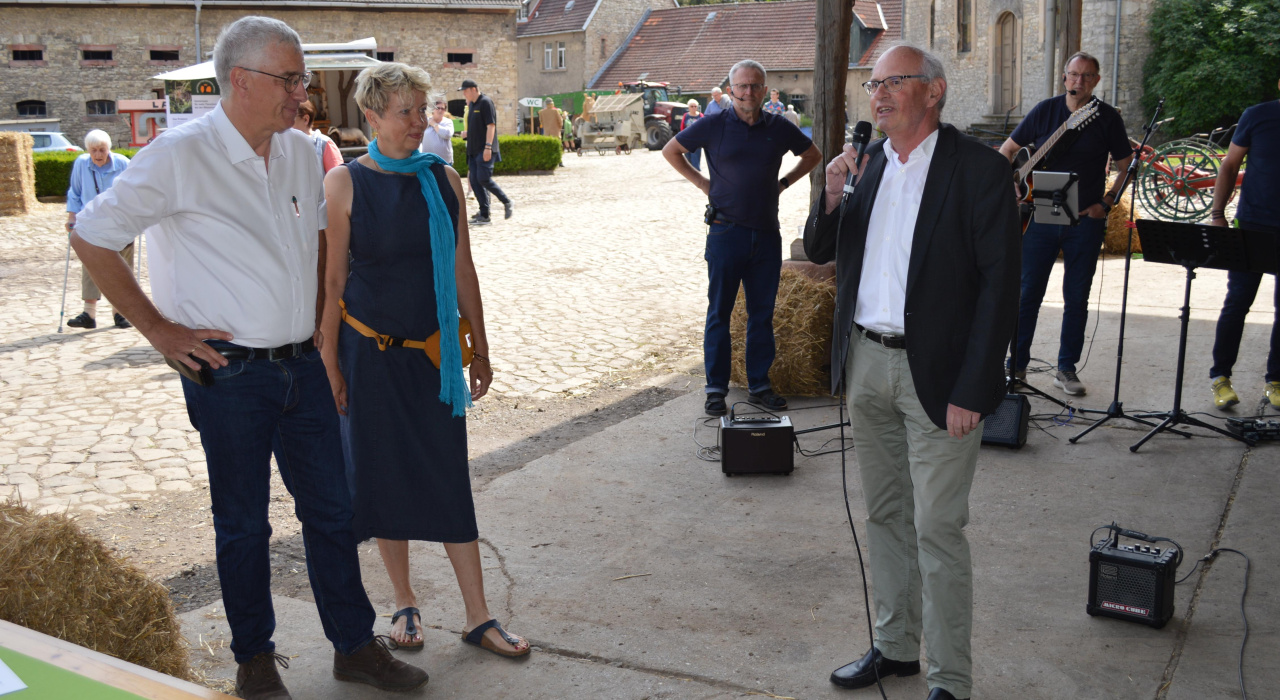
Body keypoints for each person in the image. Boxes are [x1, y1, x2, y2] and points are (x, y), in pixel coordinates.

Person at [69, 17, 428, 699]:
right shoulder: (181, 155)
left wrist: (322, 331)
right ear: (242, 80)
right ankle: (255, 662)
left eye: (299, 79)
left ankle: (353, 646)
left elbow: (324, 240)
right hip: (228, 374)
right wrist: (157, 330)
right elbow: (92, 236)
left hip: (302, 368)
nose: (302, 92)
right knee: (243, 524)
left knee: (332, 513)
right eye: (290, 79)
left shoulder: (300, 151)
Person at [804, 44, 1020, 700]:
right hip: (867, 362)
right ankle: (896, 647)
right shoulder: (865, 166)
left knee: (937, 528)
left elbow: (999, 289)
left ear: (934, 90)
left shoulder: (978, 171)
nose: (879, 95)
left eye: (894, 82)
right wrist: (832, 194)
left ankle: (951, 679)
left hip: (942, 376)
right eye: (873, 84)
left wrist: (975, 389)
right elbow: (818, 250)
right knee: (886, 514)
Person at [319, 61, 530, 664]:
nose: (420, 122)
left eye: (422, 109)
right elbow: (333, 281)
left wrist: (481, 348)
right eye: (405, 112)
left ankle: (478, 616)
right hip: (368, 358)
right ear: (372, 116)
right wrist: (329, 360)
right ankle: (405, 600)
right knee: (382, 479)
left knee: (447, 479)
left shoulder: (443, 178)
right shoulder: (345, 184)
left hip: (434, 359)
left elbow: (463, 268)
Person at [663, 59, 822, 416]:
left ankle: (759, 386)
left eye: (755, 86)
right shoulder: (713, 123)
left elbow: (813, 155)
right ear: (731, 89)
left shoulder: (779, 127)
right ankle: (716, 389)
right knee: (718, 313)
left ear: (764, 90)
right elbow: (671, 150)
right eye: (742, 86)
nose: (748, 92)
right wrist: (705, 184)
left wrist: (783, 184)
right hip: (725, 232)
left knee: (761, 315)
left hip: (766, 234)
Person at [999, 51, 1132, 396]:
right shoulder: (1045, 111)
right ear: (1064, 77)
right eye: (1074, 75)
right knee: (1027, 293)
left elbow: (1127, 166)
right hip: (1039, 216)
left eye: (1087, 76)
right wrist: (1011, 183)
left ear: (1096, 81)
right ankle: (1016, 366)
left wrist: (1107, 202)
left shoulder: (1105, 118)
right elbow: (1007, 151)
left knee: (1077, 297)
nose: (1079, 82)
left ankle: (1066, 369)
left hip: (1085, 220)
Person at [1207, 77, 1280, 410]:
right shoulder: (1257, 115)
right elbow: (1229, 164)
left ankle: (1275, 381)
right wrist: (1218, 214)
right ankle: (1221, 378)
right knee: (1237, 303)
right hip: (1252, 226)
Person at [65, 129, 133, 330]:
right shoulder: (81, 163)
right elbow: (75, 192)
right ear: (88, 150)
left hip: (119, 222)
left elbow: (133, 191)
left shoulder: (122, 164)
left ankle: (120, 314)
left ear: (108, 149)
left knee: (122, 267)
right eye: (93, 150)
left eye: (102, 150)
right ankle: (89, 314)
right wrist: (71, 217)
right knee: (90, 265)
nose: (98, 155)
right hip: (90, 222)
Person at [461, 79, 513, 225]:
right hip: (473, 149)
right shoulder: (472, 105)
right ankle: (484, 214)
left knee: (483, 179)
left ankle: (507, 201)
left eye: (465, 90)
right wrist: (467, 134)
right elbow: (477, 127)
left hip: (484, 149)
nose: (464, 93)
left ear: (473, 89)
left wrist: (488, 147)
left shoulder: (485, 102)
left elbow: (491, 126)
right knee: (474, 181)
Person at [293, 99, 343, 174]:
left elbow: (338, 179)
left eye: (290, 118)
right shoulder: (283, 145)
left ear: (306, 119)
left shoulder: (324, 144)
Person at [419, 98, 455, 164]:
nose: (440, 110)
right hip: (428, 161)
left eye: (443, 109)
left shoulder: (448, 122)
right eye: (438, 108)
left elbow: (447, 134)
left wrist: (434, 124)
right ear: (433, 110)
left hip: (445, 161)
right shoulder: (425, 121)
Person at [679, 99, 703, 171]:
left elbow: (704, 128)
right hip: (687, 140)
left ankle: (697, 173)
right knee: (687, 158)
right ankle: (689, 173)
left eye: (695, 106)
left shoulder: (701, 116)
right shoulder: (686, 115)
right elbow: (682, 127)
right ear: (689, 107)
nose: (693, 108)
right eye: (691, 106)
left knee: (695, 158)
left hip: (697, 140)